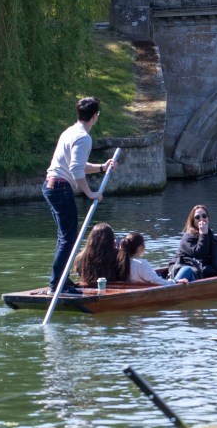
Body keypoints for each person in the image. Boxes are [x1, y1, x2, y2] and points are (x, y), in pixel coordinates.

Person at [42, 96, 117, 295]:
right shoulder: (84, 137)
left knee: (65, 237)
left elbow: (79, 165)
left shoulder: (70, 131)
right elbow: (76, 170)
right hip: (60, 187)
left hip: (51, 186)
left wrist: (102, 167)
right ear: (94, 116)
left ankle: (61, 280)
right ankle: (57, 285)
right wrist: (91, 193)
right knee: (69, 238)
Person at [118, 231, 191, 285]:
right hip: (159, 292)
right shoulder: (141, 264)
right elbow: (158, 282)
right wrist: (175, 281)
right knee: (187, 269)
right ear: (140, 247)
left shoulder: (122, 262)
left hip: (139, 288)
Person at [169, 204, 217, 280]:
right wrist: (203, 234)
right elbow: (201, 254)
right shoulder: (188, 237)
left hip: (199, 271)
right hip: (184, 271)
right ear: (193, 221)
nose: (201, 219)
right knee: (187, 270)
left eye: (204, 216)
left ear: (208, 219)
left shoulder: (210, 234)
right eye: (197, 217)